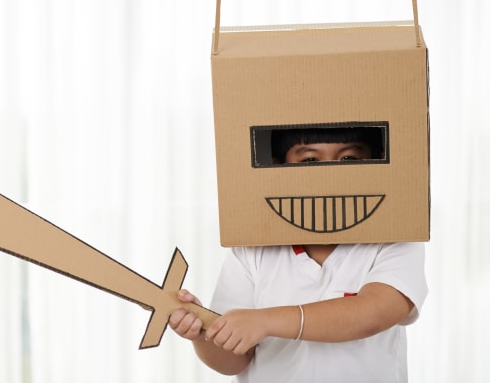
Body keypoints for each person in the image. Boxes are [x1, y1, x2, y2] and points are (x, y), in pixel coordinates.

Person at [169, 127, 427, 382]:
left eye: (349, 159)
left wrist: (265, 321)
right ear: (280, 166)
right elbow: (234, 360)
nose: (329, 174)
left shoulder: (393, 241)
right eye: (310, 160)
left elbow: (373, 312)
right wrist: (202, 332)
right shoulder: (252, 251)